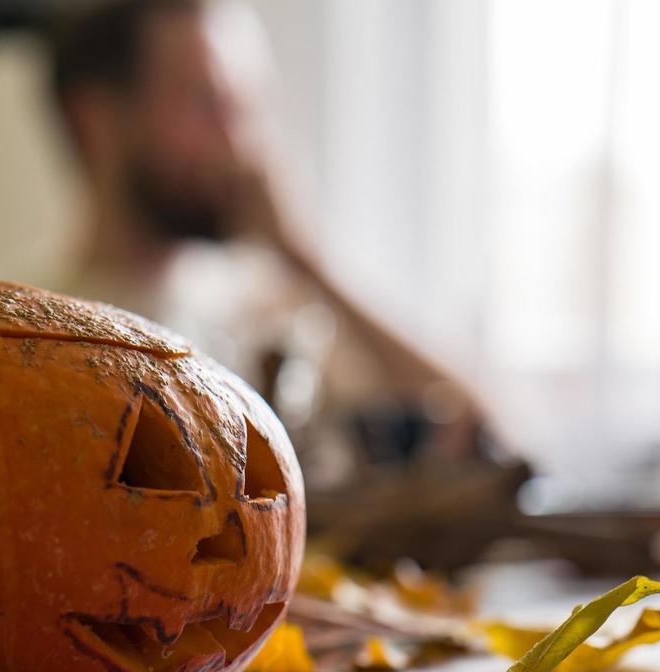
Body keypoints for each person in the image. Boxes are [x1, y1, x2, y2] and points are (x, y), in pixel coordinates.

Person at [45, 0, 492, 480]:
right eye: (206, 103)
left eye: (246, 109)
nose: (240, 145)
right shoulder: (36, 339)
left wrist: (305, 258)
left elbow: (481, 438)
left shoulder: (277, 318)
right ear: (95, 119)